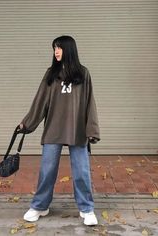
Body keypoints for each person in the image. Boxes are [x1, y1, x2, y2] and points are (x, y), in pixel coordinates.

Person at [18, 35, 100, 226]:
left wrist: (92, 130)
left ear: (69, 49)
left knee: (81, 171)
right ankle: (40, 206)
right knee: (47, 170)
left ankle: (86, 209)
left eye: (60, 47)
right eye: (54, 47)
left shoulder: (83, 74)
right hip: (54, 128)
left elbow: (90, 104)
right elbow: (40, 102)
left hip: (77, 130)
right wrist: (27, 123)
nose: (56, 51)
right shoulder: (51, 74)